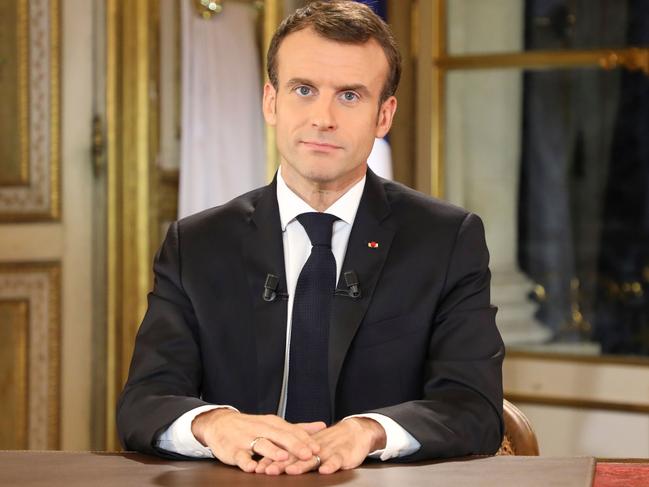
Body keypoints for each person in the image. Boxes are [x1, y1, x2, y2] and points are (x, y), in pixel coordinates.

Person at [117, 0, 504, 476]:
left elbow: (473, 408)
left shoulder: (446, 240)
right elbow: (143, 404)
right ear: (270, 101)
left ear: (384, 116)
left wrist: (370, 430)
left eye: (349, 96)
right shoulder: (195, 243)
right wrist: (215, 425)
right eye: (303, 89)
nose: (323, 117)